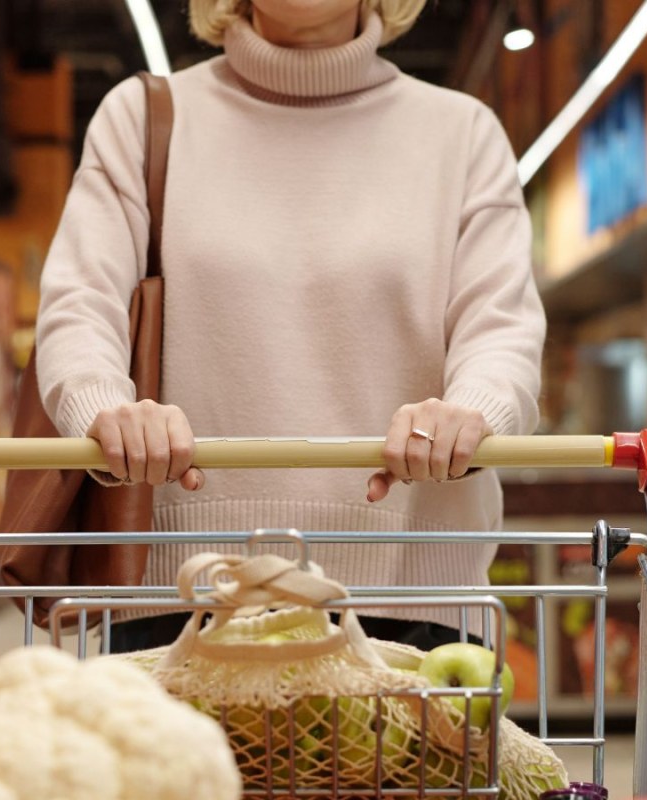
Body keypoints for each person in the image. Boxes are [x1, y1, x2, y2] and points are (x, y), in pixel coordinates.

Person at [34, 0, 546, 652]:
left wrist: (472, 412)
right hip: (181, 599)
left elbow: (501, 331)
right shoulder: (142, 120)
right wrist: (105, 409)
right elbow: (79, 306)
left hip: (411, 600)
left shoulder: (463, 135)